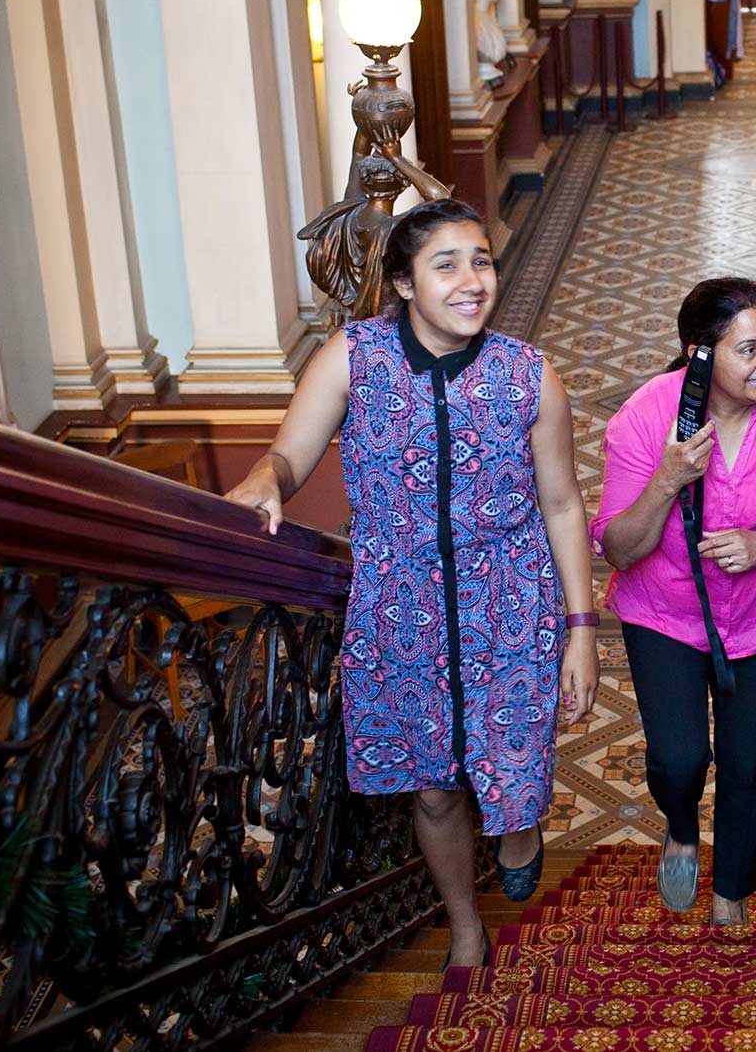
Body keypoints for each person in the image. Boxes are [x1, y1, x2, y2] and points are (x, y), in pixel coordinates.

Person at [226, 199, 599, 970]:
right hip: (399, 611)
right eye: (447, 264)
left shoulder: (530, 376)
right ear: (402, 283)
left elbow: (562, 504)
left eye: (482, 261)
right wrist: (264, 477)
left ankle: (519, 827)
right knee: (432, 787)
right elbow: (289, 456)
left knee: (515, 762)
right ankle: (464, 920)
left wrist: (581, 629)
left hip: (511, 604)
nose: (472, 281)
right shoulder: (351, 359)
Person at [591, 278, 756, 926]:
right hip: (663, 614)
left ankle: (732, 888)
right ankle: (681, 827)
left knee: (748, 760)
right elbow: (620, 549)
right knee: (679, 759)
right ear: (699, 354)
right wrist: (668, 479)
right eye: (749, 349)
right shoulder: (647, 417)